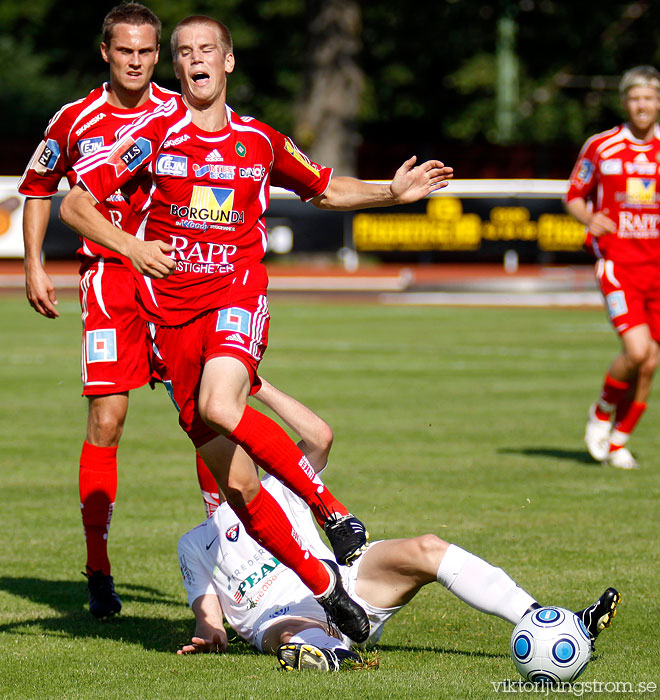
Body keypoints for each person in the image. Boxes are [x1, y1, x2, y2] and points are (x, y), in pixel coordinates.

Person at [58, 14, 453, 642]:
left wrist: (391, 193)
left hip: (238, 296)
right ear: (177, 65)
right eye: (184, 52)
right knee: (238, 484)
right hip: (173, 322)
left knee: (222, 402)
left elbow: (324, 187)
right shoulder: (151, 136)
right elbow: (75, 203)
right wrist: (130, 245)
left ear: (229, 62)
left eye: (207, 50)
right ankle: (329, 593)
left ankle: (331, 510)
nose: (195, 60)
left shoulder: (260, 141)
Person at [175, 386, 620, 671]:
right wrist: (210, 633)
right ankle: (326, 654)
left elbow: (319, 437)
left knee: (427, 548)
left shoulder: (281, 485)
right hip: (281, 618)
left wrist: (254, 386)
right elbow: (208, 615)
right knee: (289, 631)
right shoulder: (195, 543)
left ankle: (543, 620)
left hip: (346, 585)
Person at [17, 3, 220, 619]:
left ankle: (231, 559)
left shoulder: (177, 111)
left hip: (176, 274)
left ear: (158, 54)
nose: (136, 61)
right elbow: (38, 189)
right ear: (105, 51)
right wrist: (32, 264)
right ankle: (98, 569)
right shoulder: (74, 118)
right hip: (108, 280)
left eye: (147, 51)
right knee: (107, 422)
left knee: (206, 415)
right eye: (125, 50)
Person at [565, 65, 660, 470]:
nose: (642, 105)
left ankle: (620, 440)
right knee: (637, 350)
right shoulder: (602, 146)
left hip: (657, 268)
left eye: (650, 98)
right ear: (626, 102)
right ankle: (602, 412)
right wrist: (589, 219)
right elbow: (573, 196)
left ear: (658, 103)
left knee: (650, 360)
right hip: (618, 264)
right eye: (636, 98)